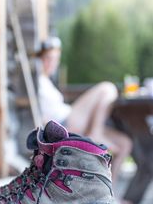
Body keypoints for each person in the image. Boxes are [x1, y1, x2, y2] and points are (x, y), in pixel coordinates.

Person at [37, 37, 132, 183]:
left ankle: (109, 190)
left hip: (73, 120)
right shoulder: (37, 81)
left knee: (125, 144)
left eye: (55, 59)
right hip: (65, 124)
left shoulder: (47, 81)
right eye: (48, 58)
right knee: (107, 88)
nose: (52, 63)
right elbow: (39, 116)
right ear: (40, 59)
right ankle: (96, 132)